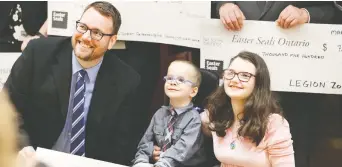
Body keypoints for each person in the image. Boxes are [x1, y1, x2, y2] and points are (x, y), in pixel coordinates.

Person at [4, 1, 145, 165]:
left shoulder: (126, 81)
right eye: (83, 27)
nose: (86, 37)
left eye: (97, 33)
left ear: (112, 41)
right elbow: (8, 106)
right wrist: (22, 147)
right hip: (34, 160)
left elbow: (122, 145)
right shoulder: (39, 53)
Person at [200, 51, 295, 167]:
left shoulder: (273, 123)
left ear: (258, 83)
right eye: (230, 73)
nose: (234, 80)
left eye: (245, 75)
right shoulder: (215, 115)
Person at [132, 60, 206, 167]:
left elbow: (183, 150)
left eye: (181, 80)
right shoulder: (159, 114)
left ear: (193, 91)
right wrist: (141, 161)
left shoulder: (194, 119)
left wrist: (163, 161)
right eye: (169, 78)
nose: (173, 82)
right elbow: (145, 143)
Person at [215, 1, 335, 30]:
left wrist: (305, 14)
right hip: (234, 54)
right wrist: (223, 4)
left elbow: (334, 10)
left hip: (292, 58)